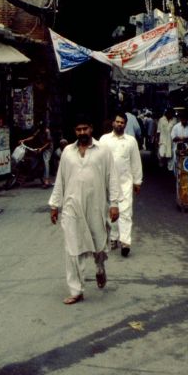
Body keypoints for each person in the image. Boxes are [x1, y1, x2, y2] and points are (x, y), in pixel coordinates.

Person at [49, 115, 121, 305]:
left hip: (96, 206)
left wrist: (114, 204)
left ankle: (99, 268)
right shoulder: (67, 152)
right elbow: (60, 180)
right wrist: (55, 205)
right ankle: (76, 289)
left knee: (99, 245)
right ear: (75, 131)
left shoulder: (103, 152)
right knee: (73, 248)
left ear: (91, 128)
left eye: (85, 129)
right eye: (78, 130)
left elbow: (112, 178)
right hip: (72, 207)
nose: (82, 133)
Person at [99, 112, 143, 257]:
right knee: (110, 211)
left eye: (122, 122)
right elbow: (98, 161)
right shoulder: (104, 140)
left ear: (125, 124)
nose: (119, 124)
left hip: (125, 182)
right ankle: (113, 238)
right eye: (117, 122)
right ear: (113, 123)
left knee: (125, 212)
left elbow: (136, 161)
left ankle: (125, 242)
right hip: (107, 182)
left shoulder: (131, 141)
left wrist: (137, 181)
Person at [171, 110, 188, 179]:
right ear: (180, 119)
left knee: (187, 164)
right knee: (178, 164)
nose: (183, 120)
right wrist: (180, 138)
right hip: (178, 148)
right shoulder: (176, 127)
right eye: (182, 118)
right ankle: (178, 179)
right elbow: (173, 137)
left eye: (185, 118)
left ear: (187, 118)